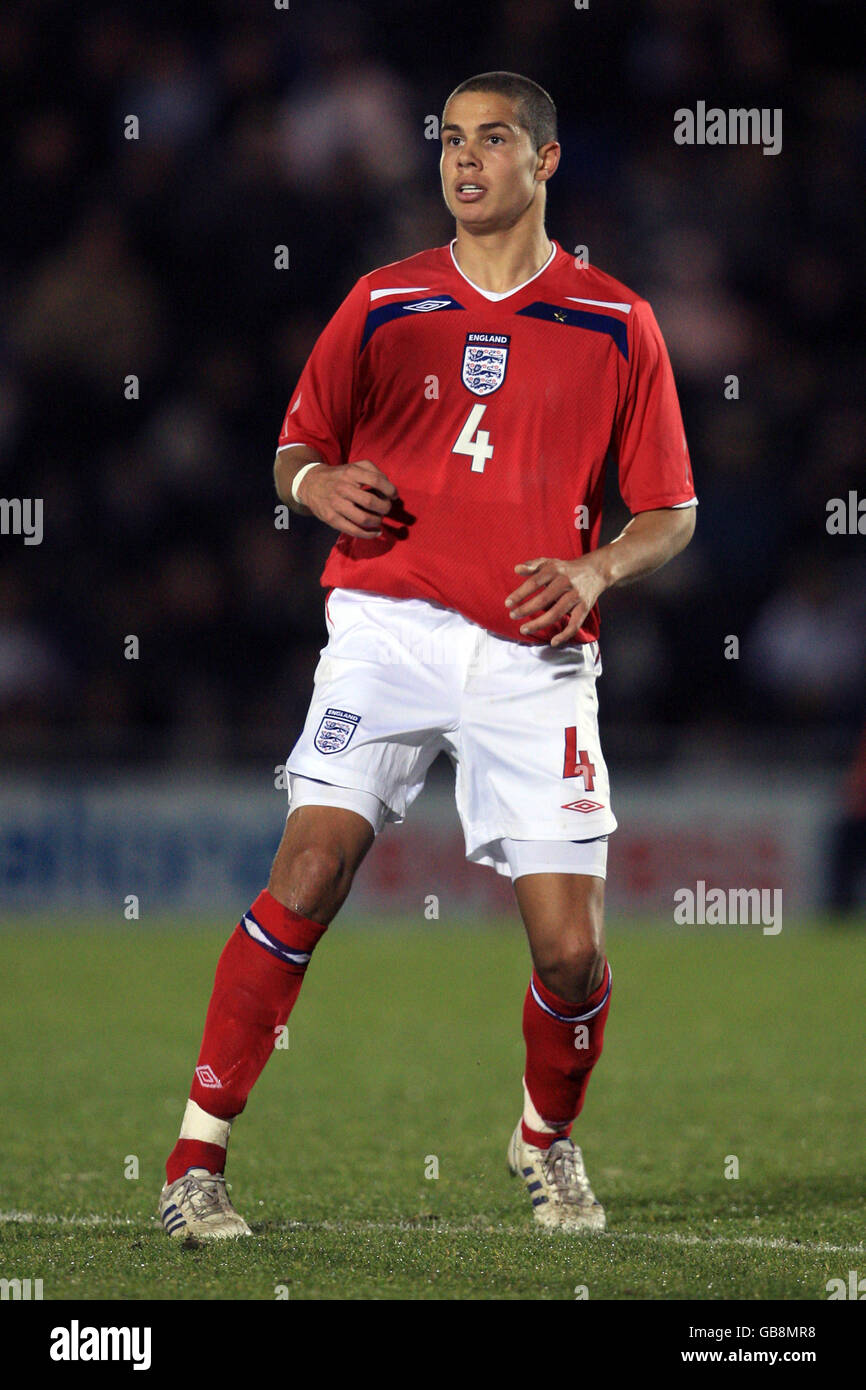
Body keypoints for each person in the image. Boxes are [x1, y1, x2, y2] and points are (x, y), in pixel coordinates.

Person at [158, 71, 697, 1241]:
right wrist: (315, 483)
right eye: (450, 140)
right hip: (387, 630)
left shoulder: (615, 322)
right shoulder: (381, 300)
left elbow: (669, 510)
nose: (463, 160)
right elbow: (294, 444)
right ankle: (194, 1158)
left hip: (536, 654)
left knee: (568, 958)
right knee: (306, 870)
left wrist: (597, 568)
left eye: (491, 141)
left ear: (543, 162)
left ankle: (542, 1142)